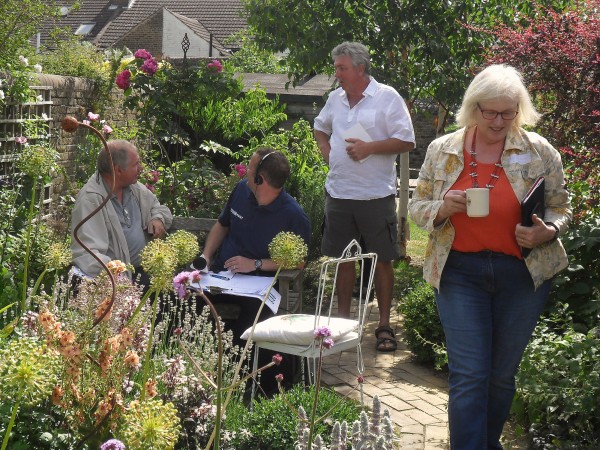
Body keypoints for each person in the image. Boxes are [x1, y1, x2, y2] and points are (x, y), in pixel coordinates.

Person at [408, 64, 571, 449]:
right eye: (490, 112)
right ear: (473, 108)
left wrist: (548, 231)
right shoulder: (442, 150)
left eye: (508, 112)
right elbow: (417, 208)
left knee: (500, 376)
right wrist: (443, 208)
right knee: (469, 375)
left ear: (520, 110)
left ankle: (485, 442)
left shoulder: (538, 151)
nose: (499, 121)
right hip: (460, 272)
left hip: (522, 274)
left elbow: (561, 207)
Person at [313, 41, 415, 352]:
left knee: (383, 261)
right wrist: (328, 155)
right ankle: (343, 326)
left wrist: (370, 148)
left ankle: (384, 326)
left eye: (342, 68)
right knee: (344, 260)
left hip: (375, 196)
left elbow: (407, 140)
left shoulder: (387, 98)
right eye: (336, 68)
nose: (337, 73)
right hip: (339, 194)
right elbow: (319, 128)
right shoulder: (335, 99)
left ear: (360, 68)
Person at [197, 147, 311, 340]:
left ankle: (240, 368)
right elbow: (222, 224)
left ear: (260, 179)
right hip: (219, 278)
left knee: (251, 325)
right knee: (183, 299)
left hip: (257, 290)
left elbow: (299, 262)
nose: (246, 172)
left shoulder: (293, 215)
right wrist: (206, 256)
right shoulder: (242, 190)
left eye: (250, 168)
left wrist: (255, 264)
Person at [71, 140, 173, 282]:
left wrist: (157, 218)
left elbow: (158, 207)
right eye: (136, 164)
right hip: (115, 282)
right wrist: (119, 276)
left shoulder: (134, 187)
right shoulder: (91, 200)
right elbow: (87, 254)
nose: (141, 168)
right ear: (118, 170)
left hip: (145, 273)